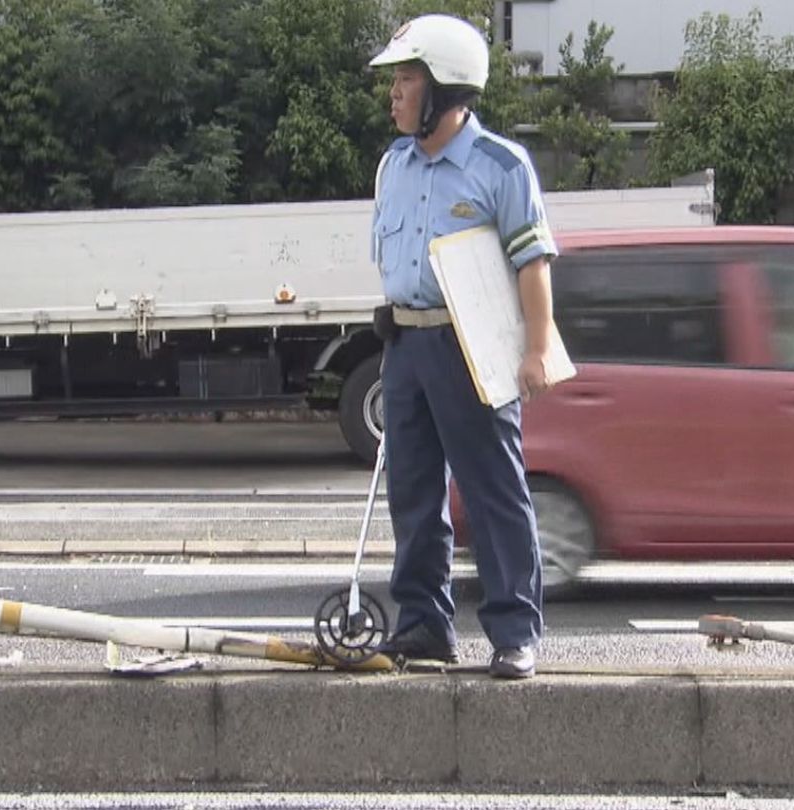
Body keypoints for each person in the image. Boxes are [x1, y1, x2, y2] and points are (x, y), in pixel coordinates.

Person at [366, 13, 559, 680]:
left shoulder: (499, 165)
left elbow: (533, 263)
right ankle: (423, 624)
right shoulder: (392, 165)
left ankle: (514, 631)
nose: (393, 93)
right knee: (413, 492)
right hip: (406, 347)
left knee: (492, 489)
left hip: (471, 343)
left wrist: (535, 350)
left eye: (406, 80)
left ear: (445, 90)